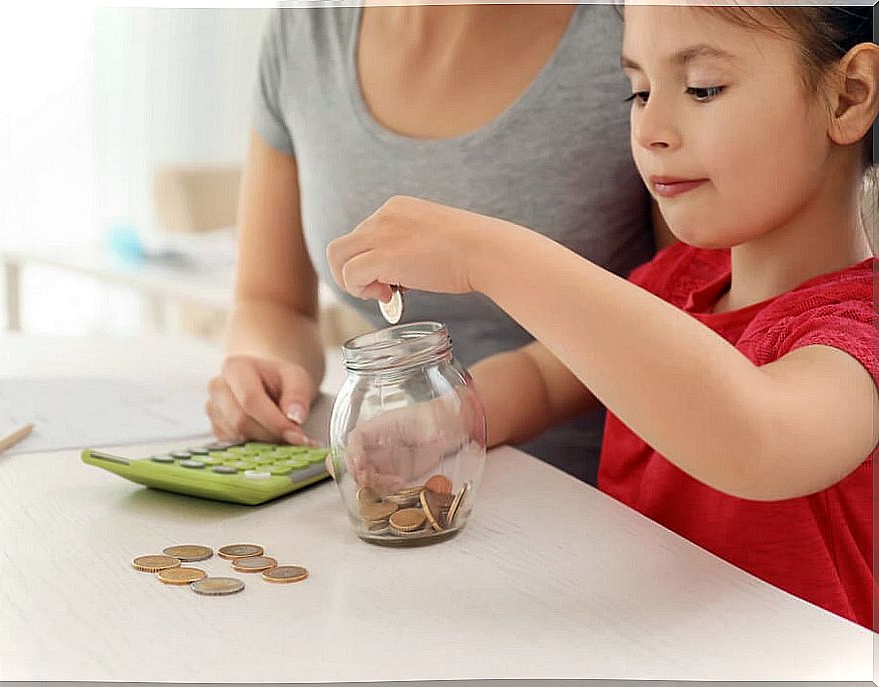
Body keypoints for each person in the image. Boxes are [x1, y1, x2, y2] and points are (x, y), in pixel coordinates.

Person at [326, 5, 878, 629]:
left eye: (702, 89)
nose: (652, 129)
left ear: (848, 97)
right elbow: (543, 376)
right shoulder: (677, 282)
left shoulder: (861, 328)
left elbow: (759, 440)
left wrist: (489, 255)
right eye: (639, 92)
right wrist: (435, 423)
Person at [205, 4, 674, 486]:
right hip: (381, 483)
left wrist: (452, 419)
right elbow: (272, 302)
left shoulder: (636, 24)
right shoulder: (307, 26)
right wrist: (268, 377)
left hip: (595, 500)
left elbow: (685, 308)